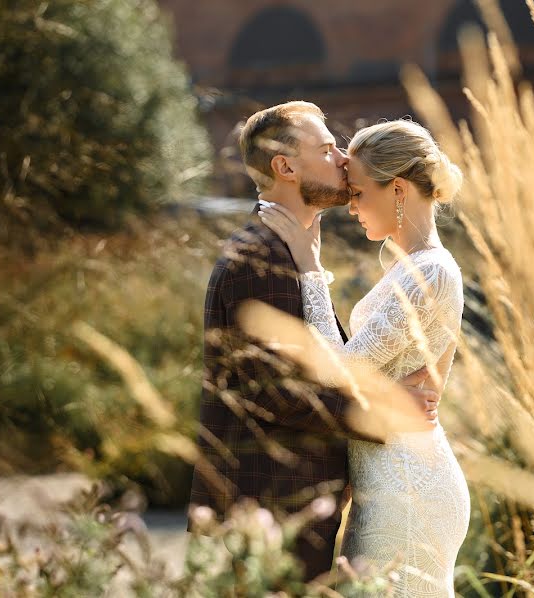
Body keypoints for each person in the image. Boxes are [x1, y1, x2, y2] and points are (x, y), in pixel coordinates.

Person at [187, 101, 441, 581]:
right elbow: (276, 391)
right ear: (284, 167)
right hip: (266, 510)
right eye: (327, 150)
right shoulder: (257, 258)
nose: (343, 160)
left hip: (292, 509)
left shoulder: (288, 249)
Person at [260, 118, 470, 597]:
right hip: (384, 479)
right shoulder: (409, 265)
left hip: (408, 489)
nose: (350, 207)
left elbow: (340, 374)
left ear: (398, 189)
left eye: (357, 193)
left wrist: (310, 269)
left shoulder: (432, 272)